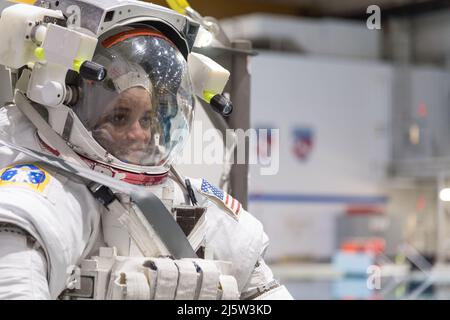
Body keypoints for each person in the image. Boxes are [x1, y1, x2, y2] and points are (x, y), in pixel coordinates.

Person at [0, 20, 292, 300]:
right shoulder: (49, 198)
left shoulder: (190, 199)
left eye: (147, 118)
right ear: (69, 116)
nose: (139, 134)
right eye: (119, 117)